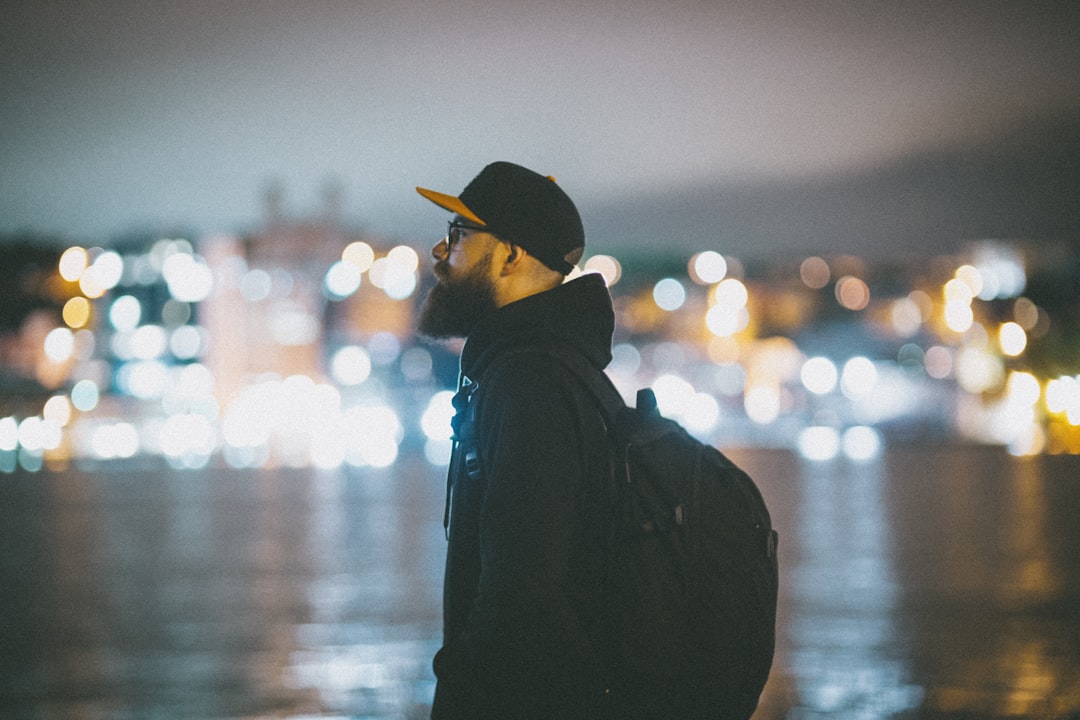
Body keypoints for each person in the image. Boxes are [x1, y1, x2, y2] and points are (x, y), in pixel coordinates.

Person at [415, 161, 616, 719]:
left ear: (510, 254)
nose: (440, 251)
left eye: (458, 235)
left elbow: (521, 592)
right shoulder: (547, 368)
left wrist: (462, 700)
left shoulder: (530, 384)